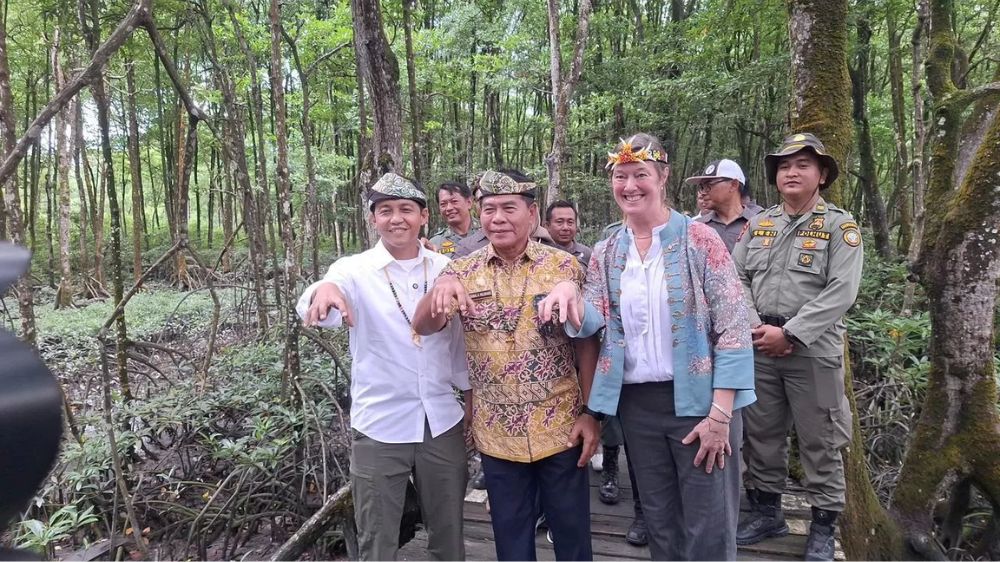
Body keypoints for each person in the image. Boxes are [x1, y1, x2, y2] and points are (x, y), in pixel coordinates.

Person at [540, 133, 756, 561]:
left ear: (663, 177)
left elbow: (734, 327)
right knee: (659, 521)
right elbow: (594, 321)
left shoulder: (700, 240)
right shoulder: (607, 250)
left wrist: (720, 415)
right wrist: (567, 290)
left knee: (709, 524)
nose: (630, 186)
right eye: (621, 176)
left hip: (703, 404)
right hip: (638, 406)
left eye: (641, 174)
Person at [413, 169, 600, 561]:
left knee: (573, 536)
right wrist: (438, 293)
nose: (497, 218)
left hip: (560, 426)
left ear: (532, 215)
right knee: (511, 542)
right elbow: (423, 326)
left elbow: (586, 343)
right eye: (489, 209)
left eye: (508, 208)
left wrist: (589, 413)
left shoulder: (564, 267)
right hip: (496, 432)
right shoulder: (461, 269)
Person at [296, 173, 471, 561]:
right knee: (377, 536)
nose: (396, 219)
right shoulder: (353, 270)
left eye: (406, 210)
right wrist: (323, 292)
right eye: (385, 211)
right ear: (373, 219)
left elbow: (459, 344)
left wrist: (471, 406)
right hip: (380, 424)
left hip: (440, 420)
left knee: (449, 532)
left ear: (424, 216)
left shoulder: (447, 268)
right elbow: (325, 296)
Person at [731, 133, 862, 561]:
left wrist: (792, 333)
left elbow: (842, 290)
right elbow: (736, 278)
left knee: (821, 438)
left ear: (821, 175)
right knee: (762, 433)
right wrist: (756, 327)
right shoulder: (760, 223)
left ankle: (824, 525)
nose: (791, 171)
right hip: (760, 346)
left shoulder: (840, 227)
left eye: (803, 164)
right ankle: (768, 512)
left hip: (813, 351)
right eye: (784, 165)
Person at [684, 159, 763, 253]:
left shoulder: (759, 224)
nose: (703, 193)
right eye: (702, 187)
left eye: (709, 185)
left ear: (733, 185)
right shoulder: (697, 227)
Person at [428, 181, 479, 257]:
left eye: (454, 201)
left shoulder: (489, 232)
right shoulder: (435, 243)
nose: (449, 208)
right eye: (443, 204)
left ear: (469, 203)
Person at [544, 200, 592, 268]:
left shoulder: (587, 254)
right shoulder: (538, 253)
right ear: (547, 226)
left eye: (570, 222)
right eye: (559, 222)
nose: (565, 228)